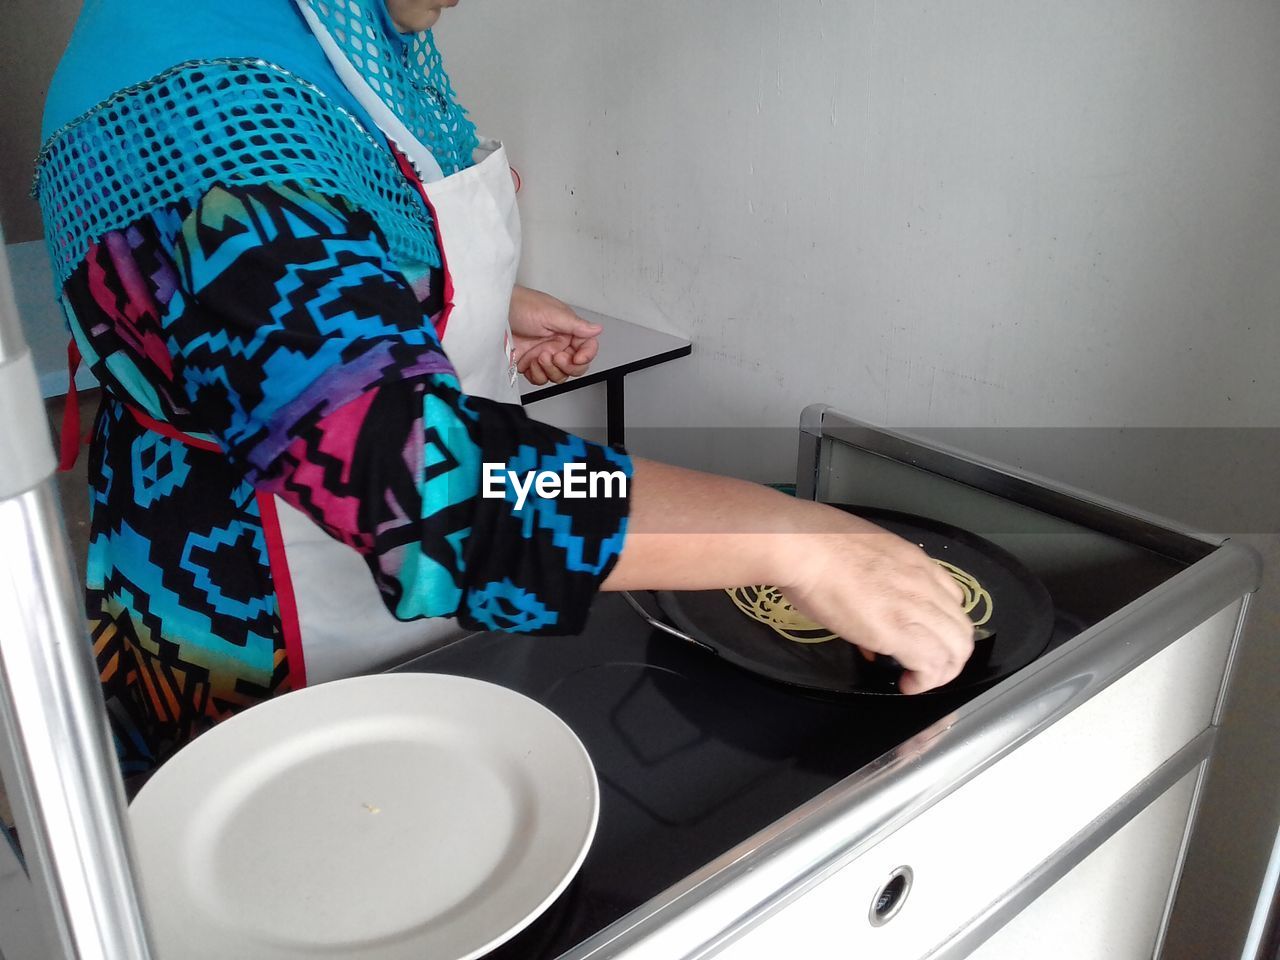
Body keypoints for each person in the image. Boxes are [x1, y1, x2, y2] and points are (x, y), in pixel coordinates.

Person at [35, 0, 973, 775]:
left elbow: (320, 253)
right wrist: (789, 542)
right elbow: (424, 486)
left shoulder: (344, 27)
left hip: (439, 618)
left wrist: (472, 300)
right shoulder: (192, 113)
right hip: (260, 642)